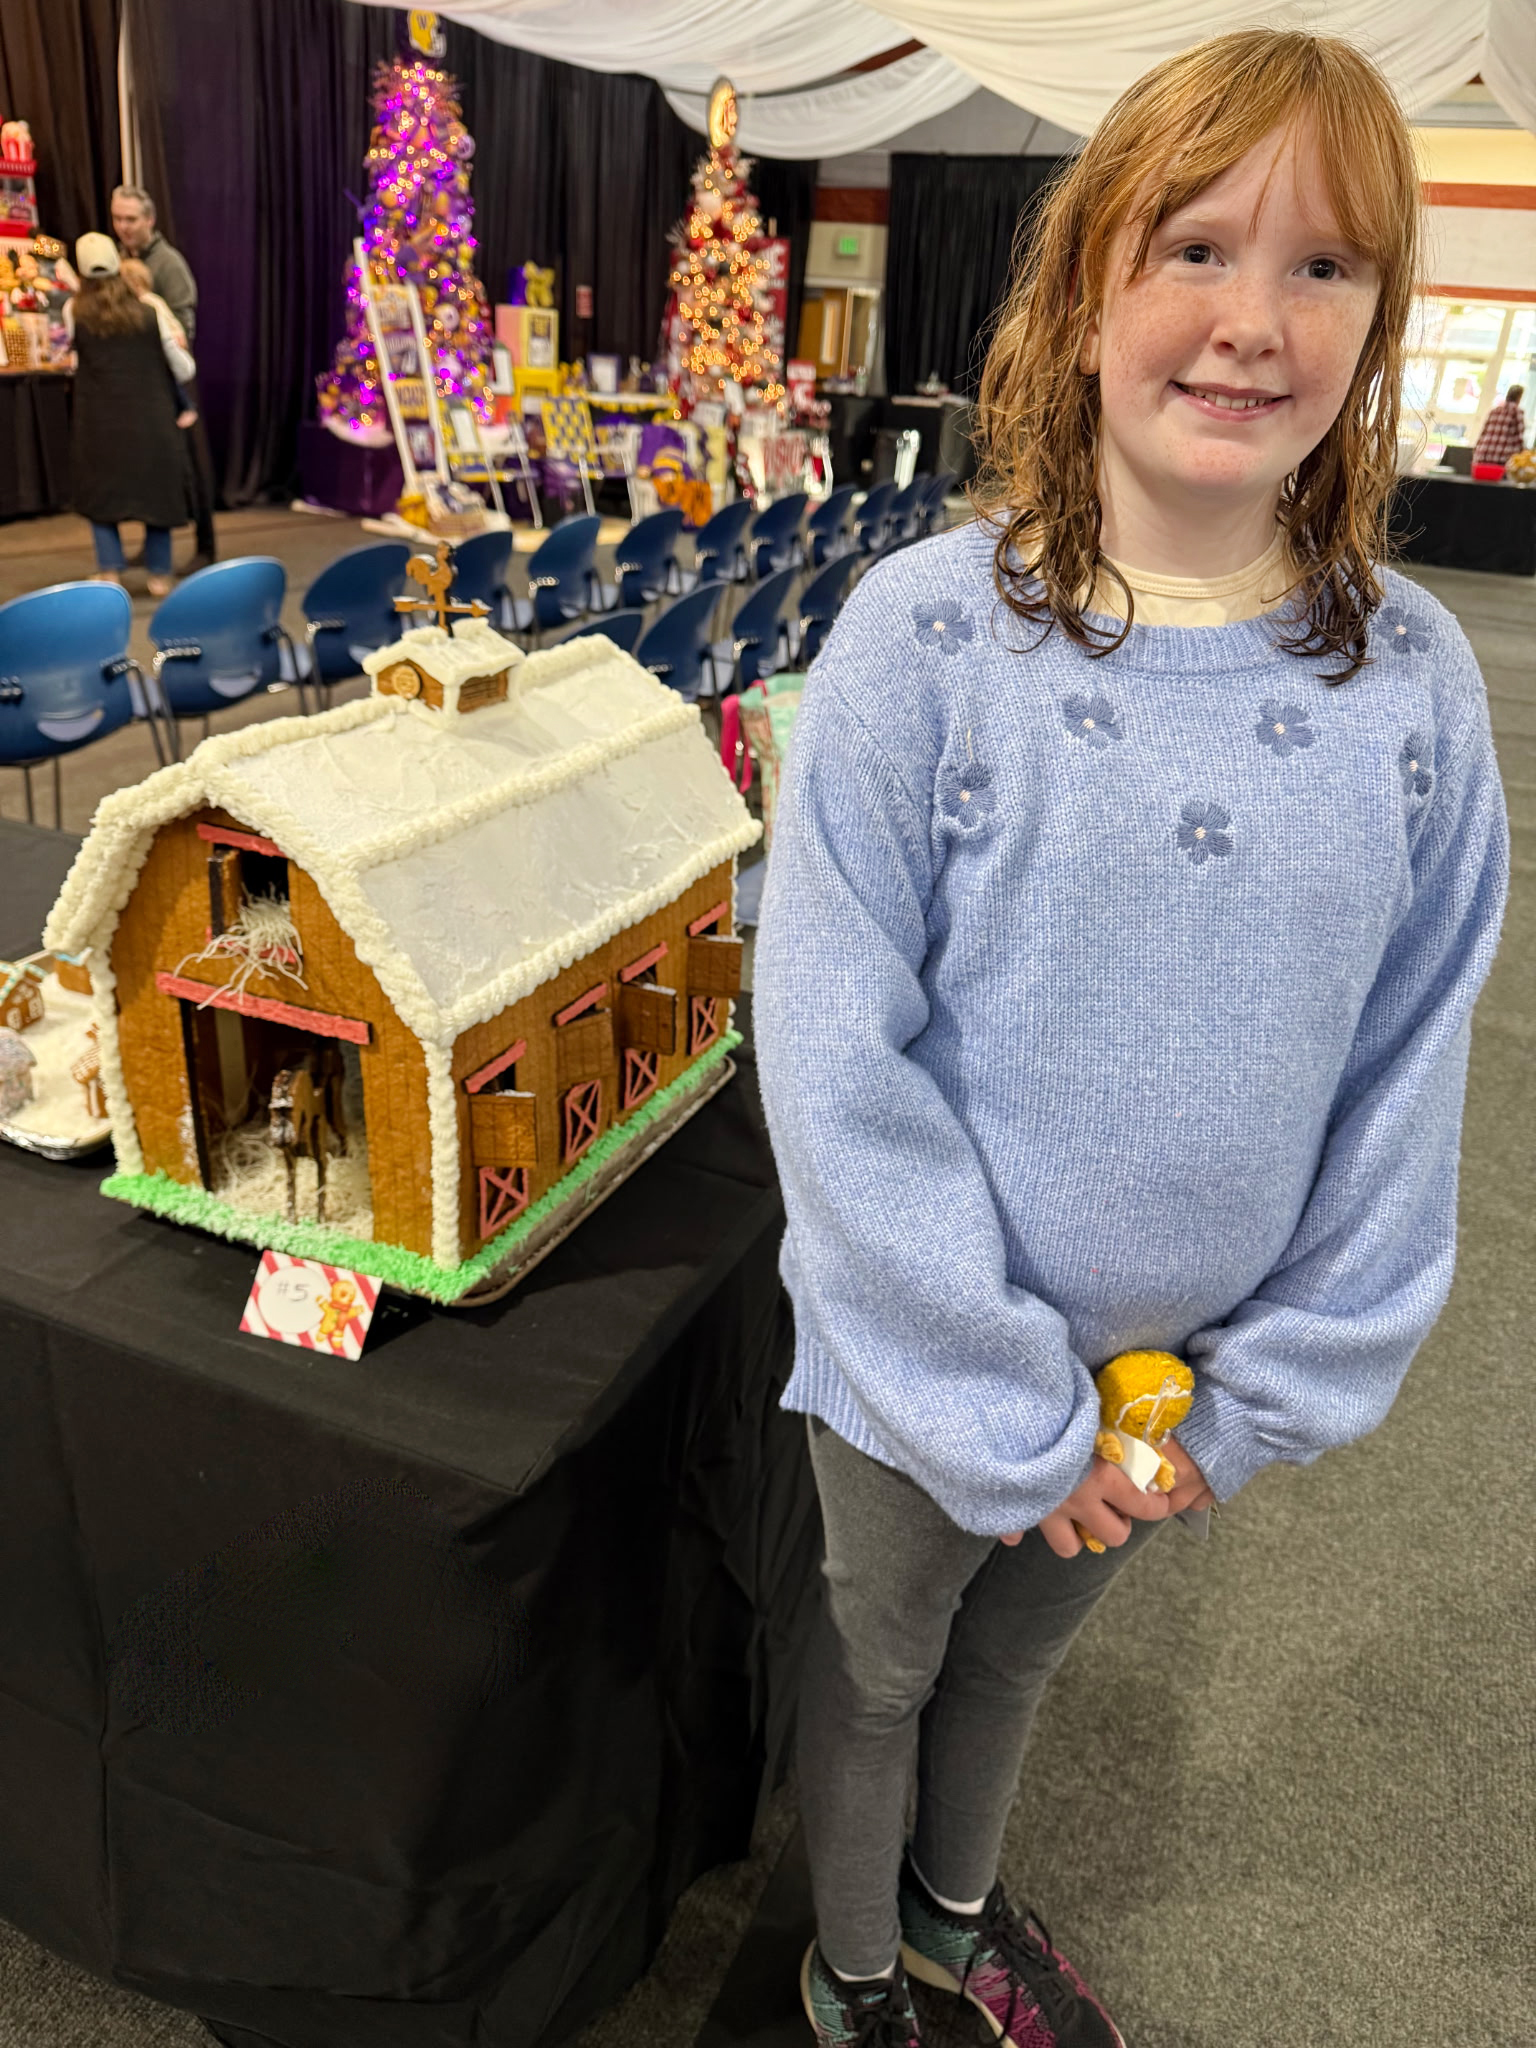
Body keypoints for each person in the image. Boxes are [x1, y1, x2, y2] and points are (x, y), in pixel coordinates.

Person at [752, 28, 1509, 2048]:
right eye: (1196, 244)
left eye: (1327, 265)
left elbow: (1406, 1069)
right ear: (1086, 289)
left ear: (1379, 321)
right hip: (925, 1354)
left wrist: (1245, 1403)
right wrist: (1013, 1411)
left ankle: (947, 1919)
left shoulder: (1419, 687)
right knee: (883, 1657)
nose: (1255, 319)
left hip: (1174, 1405)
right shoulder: (922, 640)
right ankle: (845, 1976)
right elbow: (830, 1045)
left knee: (1015, 1672)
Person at [68, 233, 196, 597]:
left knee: (101, 496)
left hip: (99, 422)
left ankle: (109, 573)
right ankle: (159, 575)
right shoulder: (150, 312)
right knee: (157, 494)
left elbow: (73, 362)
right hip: (150, 420)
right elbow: (183, 370)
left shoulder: (73, 314)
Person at [112, 183, 217, 567]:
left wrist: (172, 366)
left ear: (150, 220)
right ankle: (153, 544)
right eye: (118, 218)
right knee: (150, 466)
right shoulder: (123, 258)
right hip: (139, 383)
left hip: (171, 380)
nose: (123, 226)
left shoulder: (168, 264)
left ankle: (206, 547)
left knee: (190, 465)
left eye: (131, 219)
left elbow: (183, 325)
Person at [1471, 383, 1526, 472]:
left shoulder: (1494, 411)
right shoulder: (1517, 412)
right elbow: (1519, 437)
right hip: (1503, 458)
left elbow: (1483, 433)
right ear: (1519, 397)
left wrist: (1476, 451)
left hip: (1483, 455)